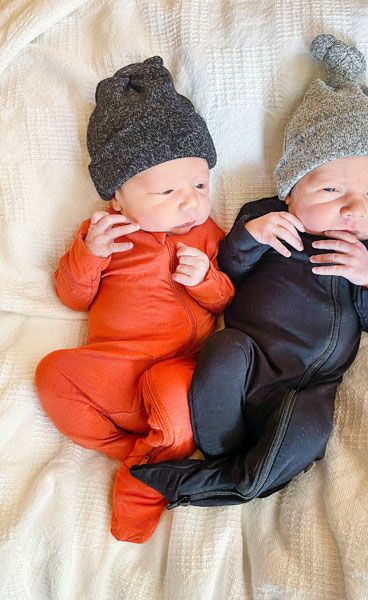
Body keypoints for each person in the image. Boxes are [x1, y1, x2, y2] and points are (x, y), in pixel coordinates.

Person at [131, 35, 368, 508]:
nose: (354, 209)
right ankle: (222, 454)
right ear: (291, 189)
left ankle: (216, 483)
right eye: (333, 190)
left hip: (308, 386)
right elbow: (226, 271)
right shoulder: (266, 217)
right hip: (249, 358)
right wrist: (250, 236)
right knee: (222, 347)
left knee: (310, 432)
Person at [34, 56, 234, 543]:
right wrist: (89, 254)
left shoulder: (206, 235)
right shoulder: (102, 233)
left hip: (179, 367)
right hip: (115, 370)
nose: (190, 202)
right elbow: (72, 298)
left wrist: (205, 278)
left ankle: (145, 483)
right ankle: (135, 451)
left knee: (171, 392)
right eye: (167, 190)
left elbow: (226, 299)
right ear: (117, 197)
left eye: (200, 184)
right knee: (53, 374)